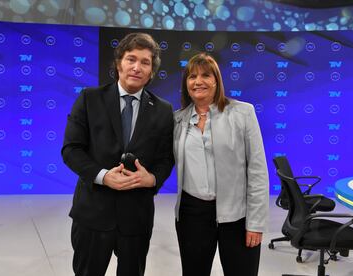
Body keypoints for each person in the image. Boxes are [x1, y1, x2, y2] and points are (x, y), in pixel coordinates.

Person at [61, 32, 174, 276]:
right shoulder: (90, 99)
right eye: (131, 59)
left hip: (136, 217)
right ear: (118, 63)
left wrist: (153, 179)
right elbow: (71, 149)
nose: (137, 67)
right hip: (93, 213)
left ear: (152, 71)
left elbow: (166, 158)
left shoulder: (164, 110)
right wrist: (103, 176)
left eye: (145, 62)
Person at [173, 52, 269, 276]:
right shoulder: (177, 119)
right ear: (186, 83)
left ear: (216, 80)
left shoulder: (243, 113)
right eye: (192, 76)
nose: (198, 81)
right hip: (192, 215)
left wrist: (255, 222)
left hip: (237, 215)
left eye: (206, 75)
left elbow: (257, 171)